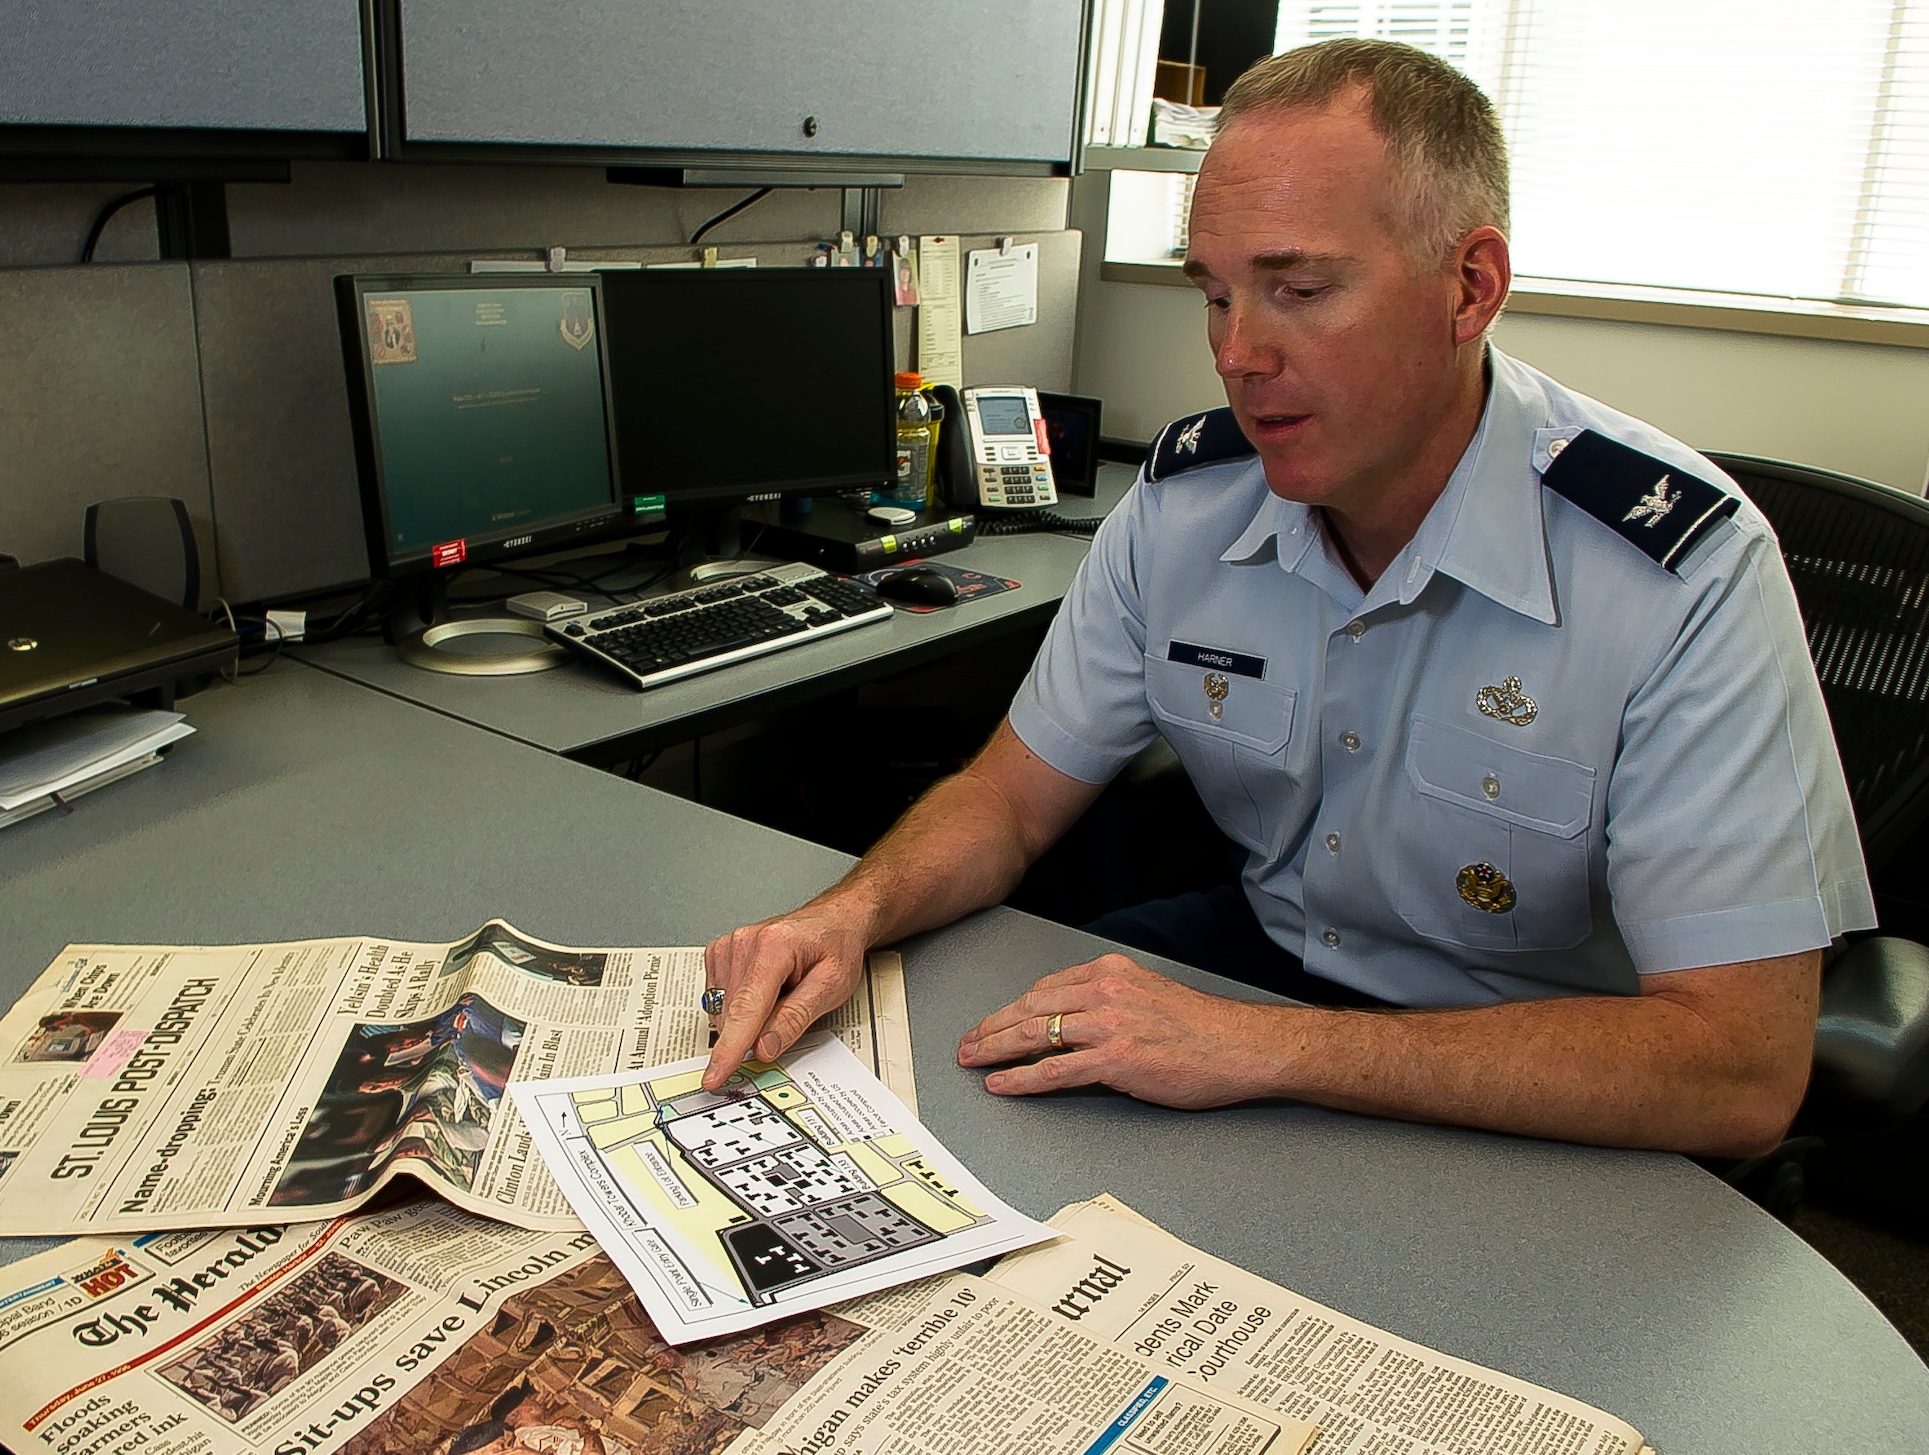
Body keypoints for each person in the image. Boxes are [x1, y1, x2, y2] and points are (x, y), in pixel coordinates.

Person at [701, 38, 1874, 1157]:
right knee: (941, 1095)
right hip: (1268, 963)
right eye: (1213, 295)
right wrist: (845, 913)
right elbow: (1007, 803)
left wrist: (1268, 1049)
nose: (1237, 355)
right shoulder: (1185, 505)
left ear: (1468, 288)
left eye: (1298, 289)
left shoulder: (1676, 571)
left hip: (1546, 1051)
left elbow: (1738, 1071)